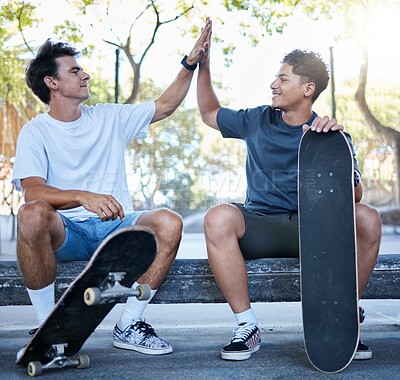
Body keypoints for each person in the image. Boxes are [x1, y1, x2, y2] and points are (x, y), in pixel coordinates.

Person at [12, 18, 212, 359]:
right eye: (74, 71)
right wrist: (83, 197)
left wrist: (189, 63)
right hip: (68, 233)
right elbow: (33, 191)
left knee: (169, 221)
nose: (85, 75)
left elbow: (165, 105)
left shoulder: (108, 117)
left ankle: (130, 324)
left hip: (115, 231)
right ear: (52, 83)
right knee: (31, 214)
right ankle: (50, 329)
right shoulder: (36, 131)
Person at [197, 19, 381, 361]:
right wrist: (202, 66)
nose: (274, 84)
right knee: (218, 217)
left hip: (313, 230)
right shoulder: (256, 120)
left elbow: (354, 199)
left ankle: (342, 317)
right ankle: (246, 326)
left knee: (368, 218)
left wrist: (335, 151)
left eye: (283, 79)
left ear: (307, 88)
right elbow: (209, 113)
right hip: (261, 224)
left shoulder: (333, 136)